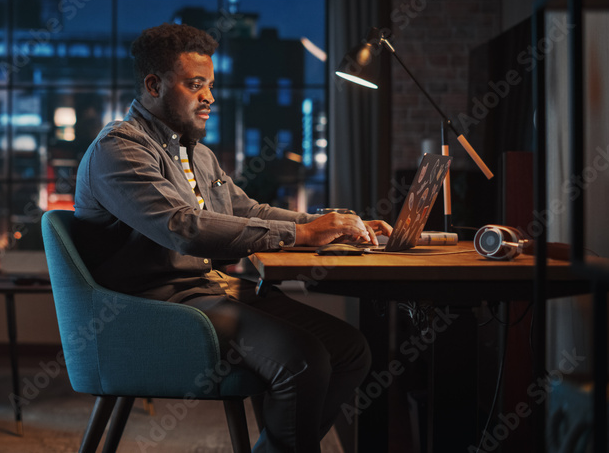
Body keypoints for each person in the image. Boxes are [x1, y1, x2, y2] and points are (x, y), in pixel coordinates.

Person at [74, 22, 392, 453]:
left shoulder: (196, 153)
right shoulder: (119, 149)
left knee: (350, 349)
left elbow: (248, 212)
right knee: (303, 359)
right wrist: (303, 233)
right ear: (153, 84)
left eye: (210, 85)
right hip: (151, 308)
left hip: (206, 291)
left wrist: (333, 224)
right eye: (195, 85)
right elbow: (185, 229)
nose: (210, 97)